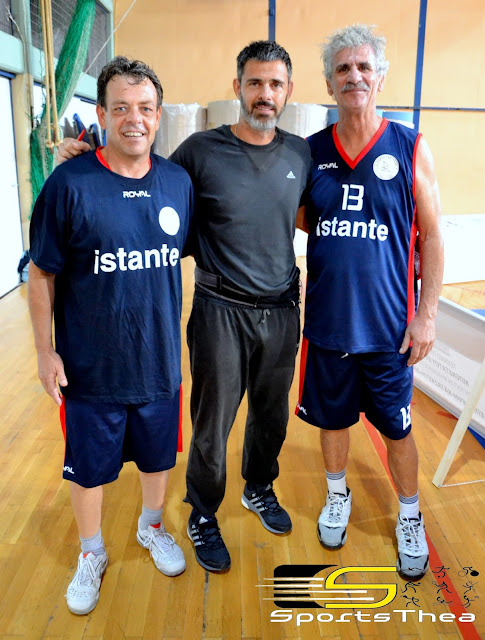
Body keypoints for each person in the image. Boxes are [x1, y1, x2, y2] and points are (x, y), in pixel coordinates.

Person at [57, 40, 312, 574]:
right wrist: (87, 161)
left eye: (275, 84)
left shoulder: (300, 154)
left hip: (282, 309)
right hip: (220, 308)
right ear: (237, 86)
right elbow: (142, 183)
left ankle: (259, 487)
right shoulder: (199, 151)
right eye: (255, 82)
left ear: (288, 90)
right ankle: (203, 513)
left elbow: (312, 213)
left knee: (270, 416)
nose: (264, 94)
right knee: (211, 424)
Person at [28, 56, 193, 615]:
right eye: (120, 107)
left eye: (145, 108)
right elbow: (41, 273)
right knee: (89, 468)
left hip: (158, 362)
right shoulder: (69, 183)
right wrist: (44, 350)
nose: (134, 119)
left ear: (159, 114)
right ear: (101, 114)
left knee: (157, 458)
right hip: (89, 367)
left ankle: (151, 527)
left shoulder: (177, 183)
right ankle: (91, 551)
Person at [295, 24, 444, 580]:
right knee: (332, 422)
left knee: (397, 430)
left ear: (379, 77)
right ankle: (338, 495)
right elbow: (300, 218)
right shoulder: (310, 152)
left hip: (389, 331)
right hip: (328, 324)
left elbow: (433, 235)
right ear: (329, 84)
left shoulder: (410, 146)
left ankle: (410, 515)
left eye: (363, 67)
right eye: (343, 69)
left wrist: (426, 315)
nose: (353, 76)